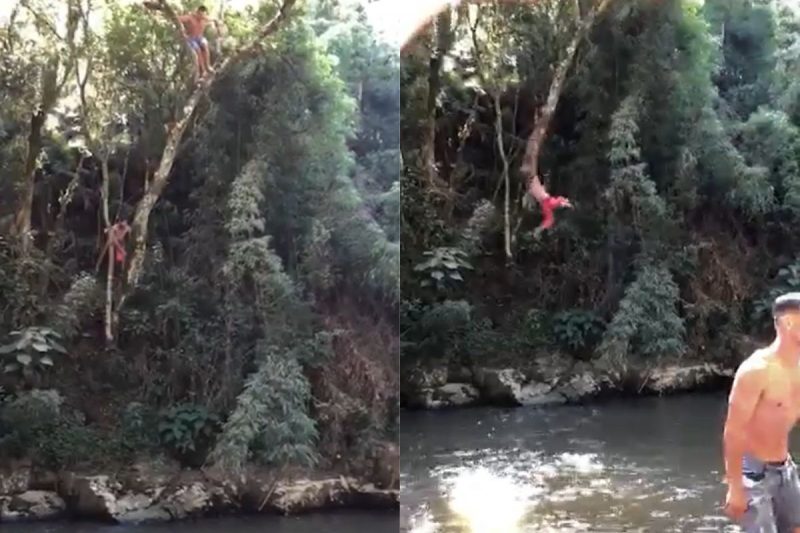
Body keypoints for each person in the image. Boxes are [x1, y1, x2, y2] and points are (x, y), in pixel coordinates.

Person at [723, 292, 800, 533]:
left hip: (785, 468)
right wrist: (735, 487)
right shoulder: (756, 370)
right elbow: (733, 432)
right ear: (789, 323)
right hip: (754, 473)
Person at [178, 6, 219, 80]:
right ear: (197, 12)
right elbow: (178, 19)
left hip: (200, 37)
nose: (201, 17)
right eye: (200, 14)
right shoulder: (190, 17)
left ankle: (208, 66)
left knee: (205, 44)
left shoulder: (204, 19)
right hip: (191, 38)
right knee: (198, 50)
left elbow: (213, 20)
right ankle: (203, 71)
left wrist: (216, 23)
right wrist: (182, 31)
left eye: (203, 15)